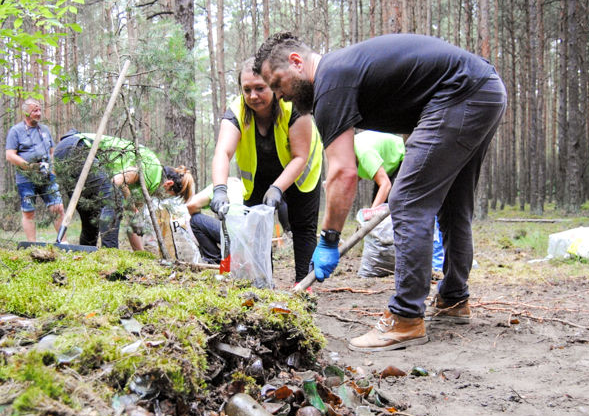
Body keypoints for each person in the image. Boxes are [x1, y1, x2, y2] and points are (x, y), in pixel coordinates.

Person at [255, 32, 506, 352]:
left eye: (277, 84)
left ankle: (405, 317)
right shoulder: (343, 71)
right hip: (483, 89)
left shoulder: (330, 81)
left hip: (463, 92)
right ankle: (454, 299)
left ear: (296, 62)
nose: (280, 96)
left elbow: (343, 172)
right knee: (453, 205)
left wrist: (329, 239)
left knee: (406, 201)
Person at [209, 57, 324, 285]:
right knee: (257, 229)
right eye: (247, 89)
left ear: (271, 85)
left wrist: (278, 188)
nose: (253, 96)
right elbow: (222, 153)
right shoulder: (236, 112)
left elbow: (301, 156)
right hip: (260, 174)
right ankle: (263, 282)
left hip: (300, 172)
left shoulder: (293, 105)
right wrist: (219, 189)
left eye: (260, 88)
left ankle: (303, 287)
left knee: (303, 227)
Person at [53, 130, 194, 251]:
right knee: (114, 198)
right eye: (168, 197)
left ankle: (84, 257)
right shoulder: (153, 170)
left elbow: (132, 223)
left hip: (62, 150)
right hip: (79, 147)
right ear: (168, 184)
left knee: (91, 216)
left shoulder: (147, 187)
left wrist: (140, 254)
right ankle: (111, 254)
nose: (163, 199)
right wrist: (131, 208)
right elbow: (117, 182)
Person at [6, 98, 64, 242]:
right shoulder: (16, 131)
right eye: (35, 110)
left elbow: (52, 152)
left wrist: (54, 169)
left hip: (47, 177)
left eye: (39, 110)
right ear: (25, 112)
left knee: (58, 208)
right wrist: (30, 166)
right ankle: (33, 245)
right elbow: (10, 155)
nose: (38, 113)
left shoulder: (44, 129)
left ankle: (63, 242)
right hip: (26, 179)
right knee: (29, 212)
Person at [185, 177, 245, 264]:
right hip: (249, 237)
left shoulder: (222, 185)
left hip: (233, 234)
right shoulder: (245, 189)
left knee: (196, 220)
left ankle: (215, 260)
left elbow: (192, 205)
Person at [354, 130, 405, 208]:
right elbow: (353, 177)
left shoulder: (365, 153)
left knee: (392, 202)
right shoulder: (351, 147)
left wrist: (371, 214)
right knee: (378, 204)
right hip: (390, 164)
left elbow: (386, 184)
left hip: (404, 157)